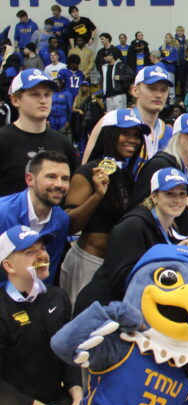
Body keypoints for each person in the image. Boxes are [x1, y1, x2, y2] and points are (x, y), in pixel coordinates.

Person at [73, 168, 188, 315]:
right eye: (169, 194)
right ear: (154, 196)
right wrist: (169, 257)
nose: (177, 200)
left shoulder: (169, 228)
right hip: (101, 310)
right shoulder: (132, 226)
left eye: (182, 194)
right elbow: (122, 279)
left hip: (126, 310)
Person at [0, 225, 82, 405]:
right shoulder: (2, 309)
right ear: (9, 266)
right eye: (30, 252)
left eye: (42, 249)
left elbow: (69, 351)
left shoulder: (58, 297)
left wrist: (77, 395)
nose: (42, 255)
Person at [60, 109, 148, 301]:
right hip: (88, 264)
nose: (133, 140)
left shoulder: (126, 175)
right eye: (126, 133)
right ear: (110, 135)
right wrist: (98, 195)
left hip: (114, 267)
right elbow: (69, 225)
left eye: (136, 135)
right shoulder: (88, 172)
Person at [0, 69, 78, 197]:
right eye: (35, 94)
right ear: (15, 100)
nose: (43, 100)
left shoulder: (63, 143)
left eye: (47, 95)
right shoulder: (3, 140)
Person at [0, 151, 73, 285]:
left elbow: (46, 273)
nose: (59, 184)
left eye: (65, 179)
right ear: (30, 180)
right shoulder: (2, 212)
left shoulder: (62, 220)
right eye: (51, 177)